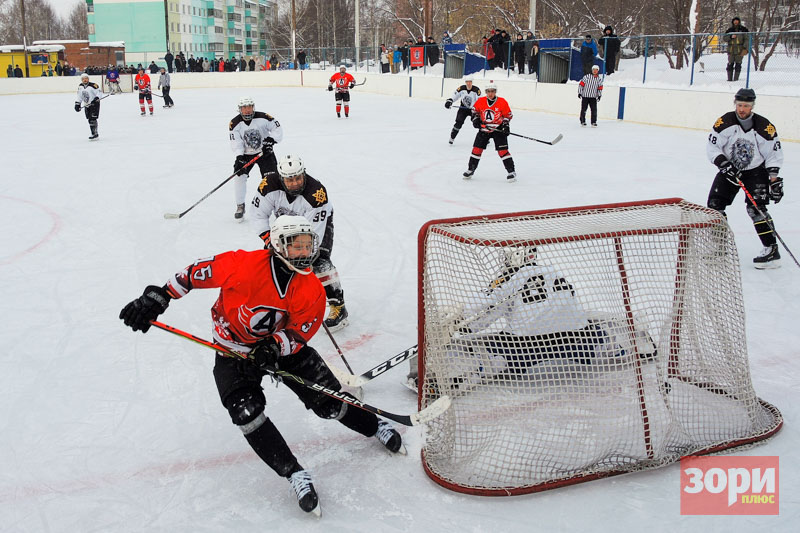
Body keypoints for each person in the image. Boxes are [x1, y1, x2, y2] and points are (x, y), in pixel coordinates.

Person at [118, 215, 405, 517]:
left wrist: (276, 346)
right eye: (297, 247)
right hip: (232, 349)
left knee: (329, 403)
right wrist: (160, 295)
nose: (305, 253)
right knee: (246, 413)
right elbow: (192, 274)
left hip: (280, 351)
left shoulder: (311, 290)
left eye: (309, 246)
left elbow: (301, 331)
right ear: (279, 246)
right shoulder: (240, 265)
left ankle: (376, 426)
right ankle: (295, 474)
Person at [406, 246, 656, 392]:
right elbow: (570, 304)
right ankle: (632, 346)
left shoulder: (510, 278)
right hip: (576, 335)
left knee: (494, 356)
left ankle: (447, 381)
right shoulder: (552, 270)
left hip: (529, 344)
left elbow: (485, 309)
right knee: (593, 334)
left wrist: (461, 325)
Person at [251, 155, 351, 331]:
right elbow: (258, 215)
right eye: (290, 179)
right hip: (283, 230)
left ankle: (338, 305)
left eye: (298, 178)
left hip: (314, 228)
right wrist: (269, 239)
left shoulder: (316, 194)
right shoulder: (268, 186)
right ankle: (282, 304)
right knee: (273, 263)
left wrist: (300, 254)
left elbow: (313, 235)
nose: (295, 183)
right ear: (282, 178)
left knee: (319, 261)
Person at [706, 88, 784, 268]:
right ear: (735, 104)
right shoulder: (724, 122)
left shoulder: (764, 126)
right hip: (730, 170)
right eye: (740, 105)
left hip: (755, 171)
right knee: (714, 206)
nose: (742, 109)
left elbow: (774, 153)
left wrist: (773, 179)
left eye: (746, 106)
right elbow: (712, 147)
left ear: (752, 106)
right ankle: (719, 247)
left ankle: (771, 250)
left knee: (756, 209)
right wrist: (724, 164)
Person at [228, 96, 283, 220]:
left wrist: (271, 140)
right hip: (246, 155)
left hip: (265, 153)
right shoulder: (235, 123)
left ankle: (278, 206)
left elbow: (277, 128)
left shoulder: (263, 117)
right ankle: (240, 205)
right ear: (240, 109)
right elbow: (236, 142)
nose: (247, 110)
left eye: (249, 107)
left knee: (272, 179)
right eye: (244, 108)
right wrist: (239, 157)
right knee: (239, 176)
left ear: (253, 107)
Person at [463, 81, 516, 182]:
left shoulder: (502, 102)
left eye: (492, 91)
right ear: (486, 92)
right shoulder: (481, 101)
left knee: (503, 151)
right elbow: (475, 112)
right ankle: (471, 169)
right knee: (476, 150)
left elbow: (508, 115)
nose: (490, 93)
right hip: (484, 129)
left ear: (495, 92)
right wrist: (476, 119)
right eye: (488, 91)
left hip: (498, 129)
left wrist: (505, 125)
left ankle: (511, 171)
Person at [444, 76, 482, 145]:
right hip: (463, 109)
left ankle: (484, 137)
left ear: (472, 82)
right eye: (467, 82)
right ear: (465, 82)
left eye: (470, 82)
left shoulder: (476, 90)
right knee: (458, 122)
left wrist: (477, 108)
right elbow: (455, 95)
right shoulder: (461, 88)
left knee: (477, 123)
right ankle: (452, 138)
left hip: (473, 110)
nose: (468, 84)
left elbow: (480, 100)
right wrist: (450, 100)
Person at [74, 73, 102, 140]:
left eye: (86, 78)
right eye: (83, 79)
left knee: (93, 119)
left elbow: (99, 93)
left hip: (94, 104)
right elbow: (79, 96)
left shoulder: (93, 86)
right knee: (89, 119)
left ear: (88, 79)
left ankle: (95, 134)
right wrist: (77, 104)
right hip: (86, 104)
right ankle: (93, 133)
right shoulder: (80, 86)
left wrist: (96, 98)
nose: (85, 80)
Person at [724, 17, 749, 82]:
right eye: (734, 21)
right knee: (730, 64)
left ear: (739, 22)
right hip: (731, 50)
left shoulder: (743, 29)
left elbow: (747, 39)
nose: (736, 22)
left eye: (737, 21)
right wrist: (730, 36)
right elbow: (724, 38)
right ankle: (729, 79)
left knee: (738, 64)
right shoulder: (729, 30)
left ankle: (736, 79)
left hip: (740, 50)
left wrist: (744, 48)